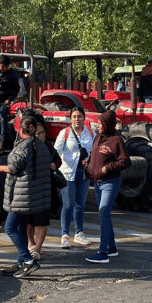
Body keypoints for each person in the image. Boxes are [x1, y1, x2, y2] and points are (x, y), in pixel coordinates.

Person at [0, 116, 52, 278]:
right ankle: (20, 263)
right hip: (35, 196)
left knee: (10, 227)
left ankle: (27, 260)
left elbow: (13, 167)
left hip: (21, 197)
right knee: (21, 228)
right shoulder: (41, 145)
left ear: (21, 130)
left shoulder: (22, 147)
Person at [84, 109, 131, 263]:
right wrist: (89, 165)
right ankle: (111, 248)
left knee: (103, 212)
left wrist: (107, 168)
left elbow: (125, 161)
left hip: (109, 183)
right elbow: (96, 156)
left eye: (101, 123)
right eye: (98, 123)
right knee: (104, 215)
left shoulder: (116, 141)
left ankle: (102, 252)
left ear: (108, 125)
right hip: (97, 183)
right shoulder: (98, 137)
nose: (98, 126)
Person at [54, 106, 95, 249]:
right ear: (70, 119)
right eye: (74, 117)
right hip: (67, 174)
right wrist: (55, 168)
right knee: (68, 204)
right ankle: (64, 235)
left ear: (84, 118)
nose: (77, 119)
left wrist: (89, 161)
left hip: (83, 173)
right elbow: (56, 152)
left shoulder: (90, 133)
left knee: (80, 205)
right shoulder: (64, 133)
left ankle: (79, 234)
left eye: (79, 116)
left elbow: (94, 151)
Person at [27, 113, 62, 261]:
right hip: (31, 189)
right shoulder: (28, 147)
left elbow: (58, 159)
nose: (41, 135)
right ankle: (30, 243)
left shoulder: (48, 147)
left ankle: (38, 248)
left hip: (47, 189)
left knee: (42, 220)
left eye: (43, 133)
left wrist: (55, 164)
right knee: (29, 220)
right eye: (38, 133)